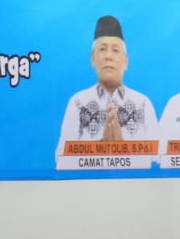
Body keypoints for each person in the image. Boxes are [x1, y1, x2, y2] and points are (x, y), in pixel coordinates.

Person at [56, 15, 158, 156]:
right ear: (93, 58)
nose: (108, 56)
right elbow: (61, 158)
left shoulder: (143, 104)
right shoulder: (77, 103)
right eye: (102, 49)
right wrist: (101, 147)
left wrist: (122, 148)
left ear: (126, 61)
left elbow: (158, 158)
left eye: (115, 50)